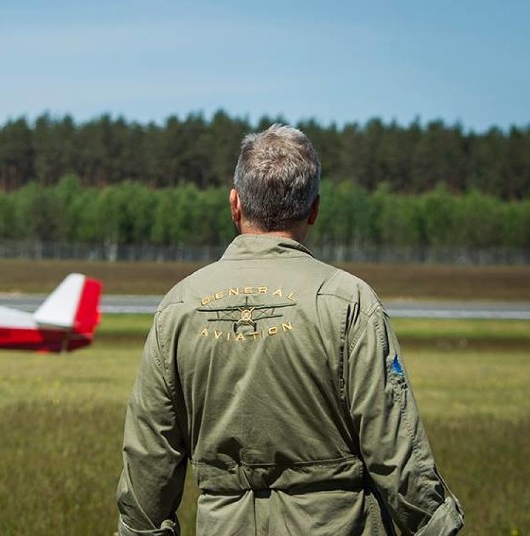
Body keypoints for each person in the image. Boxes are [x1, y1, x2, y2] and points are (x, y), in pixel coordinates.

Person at [115, 124, 464, 535]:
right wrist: (439, 526)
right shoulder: (348, 301)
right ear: (314, 209)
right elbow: (397, 453)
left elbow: (150, 460)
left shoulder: (178, 306)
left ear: (235, 204)